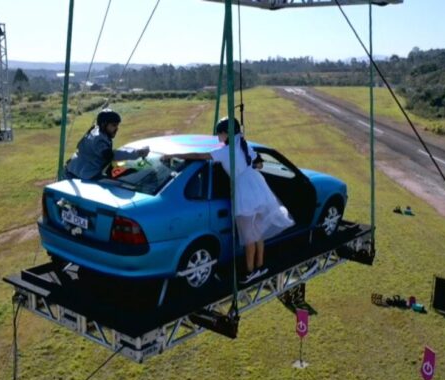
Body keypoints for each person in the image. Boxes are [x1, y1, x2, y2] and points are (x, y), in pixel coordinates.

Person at [162, 117, 295, 283]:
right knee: (257, 232)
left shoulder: (226, 151)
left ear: (226, 133)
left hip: (244, 192)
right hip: (258, 187)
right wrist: (247, 168)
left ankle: (250, 271)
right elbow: (259, 164)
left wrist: (172, 154)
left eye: (220, 133)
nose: (218, 136)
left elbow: (199, 155)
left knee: (248, 237)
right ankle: (260, 266)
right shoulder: (244, 145)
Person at [65, 109, 150, 180]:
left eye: (117, 125)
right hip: (82, 176)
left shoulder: (95, 131)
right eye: (113, 125)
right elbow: (111, 155)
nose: (116, 129)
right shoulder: (99, 140)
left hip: (73, 169)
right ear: (103, 124)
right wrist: (137, 153)